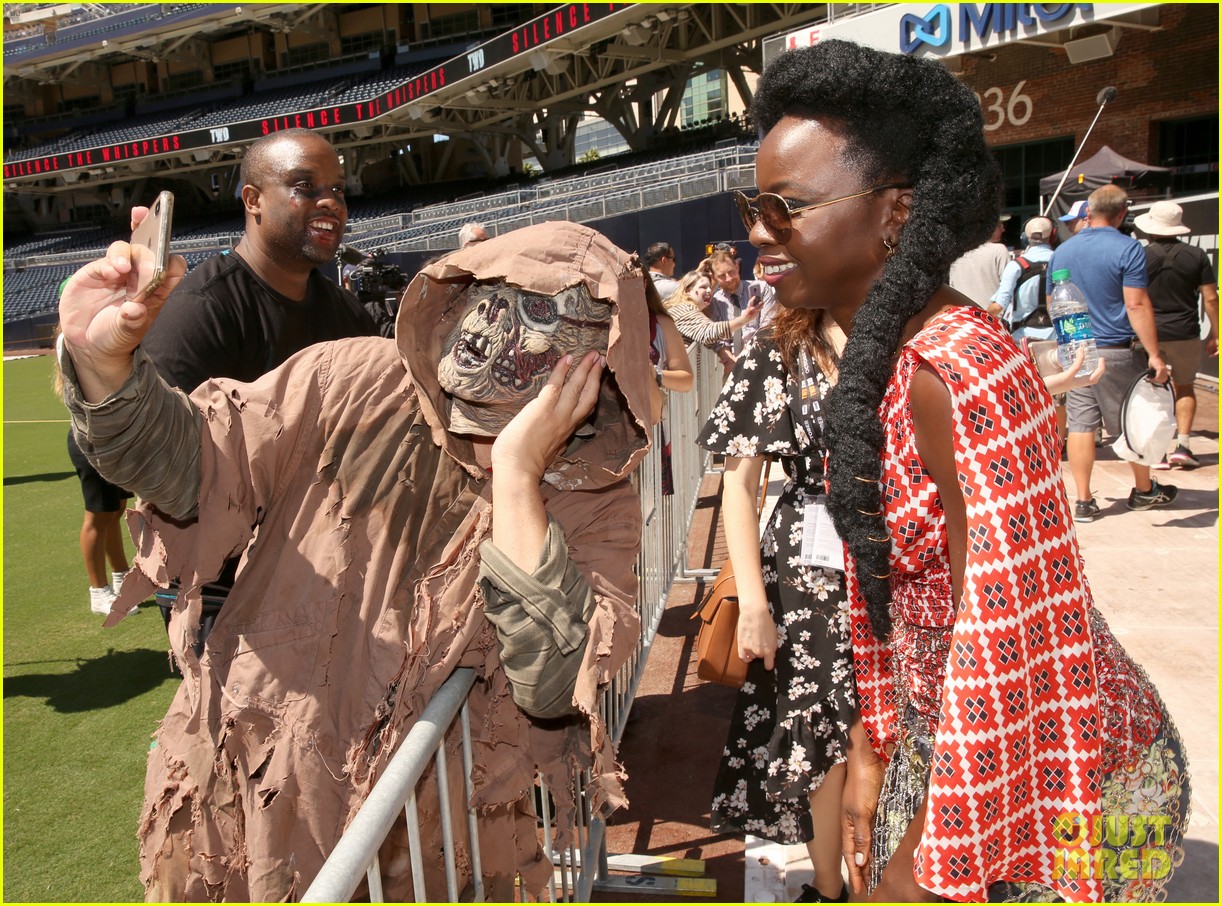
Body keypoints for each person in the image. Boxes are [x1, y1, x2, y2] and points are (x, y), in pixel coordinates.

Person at [56, 218, 654, 900]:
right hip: (250, 797)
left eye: (537, 308)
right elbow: (190, 466)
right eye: (484, 289)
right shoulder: (348, 378)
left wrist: (519, 477)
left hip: (426, 845)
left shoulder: (593, 496)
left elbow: (553, 685)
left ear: (589, 377)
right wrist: (106, 369)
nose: (487, 319)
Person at [743, 39, 1188, 903]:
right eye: (751, 203)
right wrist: (877, 748)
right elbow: (891, 590)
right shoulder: (890, 360)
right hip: (956, 750)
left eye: (784, 207)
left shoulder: (954, 372)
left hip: (1067, 779)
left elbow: (1004, 630)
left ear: (895, 213)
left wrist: (916, 863)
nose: (758, 230)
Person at [137, 129, 378, 639]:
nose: (330, 202)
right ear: (253, 201)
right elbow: (155, 462)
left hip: (328, 574)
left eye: (338, 189)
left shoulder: (346, 313)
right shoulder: (205, 308)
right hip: (225, 593)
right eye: (305, 186)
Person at [698, 302, 851, 901]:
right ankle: (834, 888)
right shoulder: (776, 348)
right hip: (806, 565)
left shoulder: (910, 329)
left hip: (902, 556)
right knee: (823, 727)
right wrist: (755, 604)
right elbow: (737, 483)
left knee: (886, 726)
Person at [1049, 184, 1174, 522]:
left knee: (1080, 425)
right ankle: (1144, 490)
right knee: (1130, 423)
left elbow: (1052, 305)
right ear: (1122, 214)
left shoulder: (1063, 251)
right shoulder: (1129, 248)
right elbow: (1135, 303)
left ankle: (1084, 500)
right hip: (1115, 350)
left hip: (1074, 351)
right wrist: (1154, 354)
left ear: (1087, 213)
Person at [1136, 200, 1219, 469]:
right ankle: (1183, 446)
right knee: (1185, 386)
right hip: (1186, 331)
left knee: (1151, 390)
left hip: (1150, 334)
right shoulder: (1197, 256)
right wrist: (1216, 334)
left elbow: (1132, 298)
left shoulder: (1141, 256)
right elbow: (1210, 299)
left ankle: (1157, 452)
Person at [67, 430, 132, 614]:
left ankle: (122, 579)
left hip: (117, 440)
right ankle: (99, 592)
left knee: (116, 508)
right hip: (92, 442)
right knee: (99, 515)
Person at [644, 274, 694, 495]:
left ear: (644, 284)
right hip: (604, 436)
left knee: (652, 514)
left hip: (650, 433)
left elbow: (686, 379)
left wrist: (653, 374)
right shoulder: (599, 321)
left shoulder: (660, 324)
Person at [664, 269, 761, 374]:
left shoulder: (698, 312)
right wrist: (744, 318)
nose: (709, 291)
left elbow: (714, 341)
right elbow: (709, 332)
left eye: (710, 287)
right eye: (703, 287)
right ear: (688, 291)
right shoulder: (682, 310)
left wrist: (730, 360)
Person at [708, 246, 778, 351]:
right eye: (722, 276)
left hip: (759, 352)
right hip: (731, 360)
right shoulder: (716, 301)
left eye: (731, 272)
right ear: (714, 277)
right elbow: (718, 339)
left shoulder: (762, 289)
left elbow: (767, 328)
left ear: (737, 267)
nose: (729, 279)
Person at [947, 215, 1009, 308]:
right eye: (1000, 226)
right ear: (990, 228)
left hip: (963, 317)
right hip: (990, 318)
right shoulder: (999, 250)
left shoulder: (956, 253)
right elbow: (1008, 288)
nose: (1003, 230)